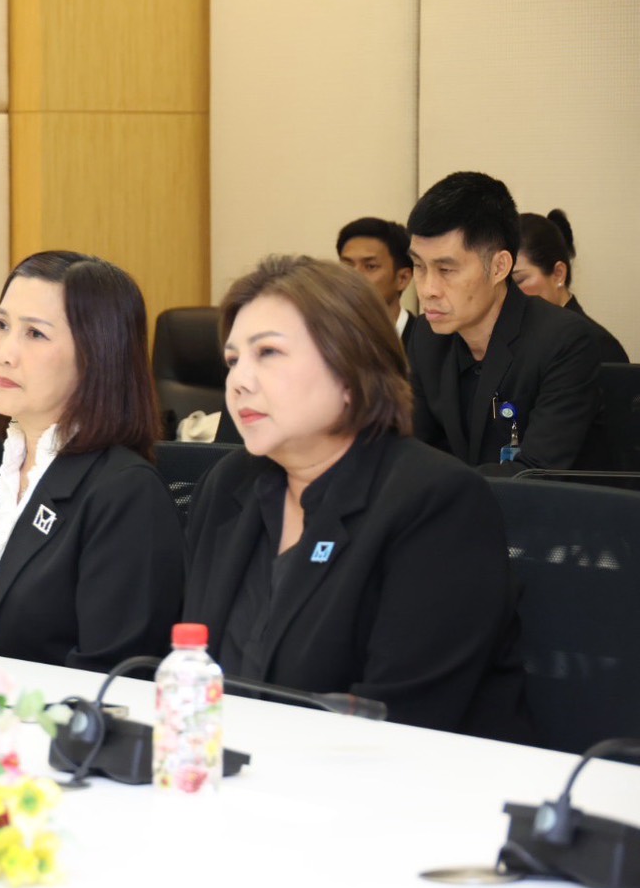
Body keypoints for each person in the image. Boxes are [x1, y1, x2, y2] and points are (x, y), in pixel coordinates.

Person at [183, 255, 529, 739]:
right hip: (228, 765)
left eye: (269, 353)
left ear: (350, 370)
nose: (239, 381)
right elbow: (189, 668)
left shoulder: (437, 502)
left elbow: (402, 722)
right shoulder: (228, 484)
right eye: (233, 360)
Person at [0, 252, 184, 671]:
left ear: (96, 356)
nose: (4, 354)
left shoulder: (125, 493)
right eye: (1, 325)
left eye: (35, 334)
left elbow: (115, 675)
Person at [406, 171, 600, 473]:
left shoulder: (563, 341)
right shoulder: (426, 337)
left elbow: (534, 472)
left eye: (446, 270)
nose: (427, 289)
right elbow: (412, 451)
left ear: (499, 267)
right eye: (419, 266)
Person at [514, 210, 628, 364]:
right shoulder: (513, 339)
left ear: (558, 274)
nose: (508, 293)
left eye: (519, 280)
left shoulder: (597, 345)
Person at [336, 216, 415, 346]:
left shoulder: (430, 343)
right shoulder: (326, 339)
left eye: (370, 266)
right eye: (347, 265)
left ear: (402, 278)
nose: (354, 276)